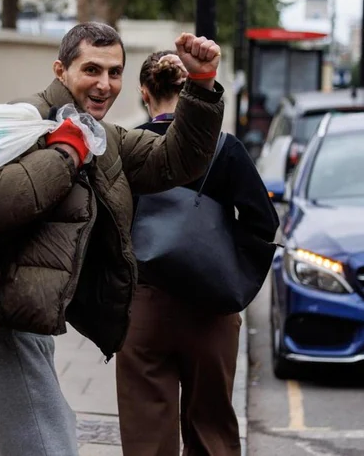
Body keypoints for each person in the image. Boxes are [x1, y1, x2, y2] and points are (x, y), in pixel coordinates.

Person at [0, 23, 226, 456]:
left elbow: (176, 160)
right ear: (61, 70)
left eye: (115, 73)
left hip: (26, 329)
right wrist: (66, 154)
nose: (104, 84)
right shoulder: (24, 120)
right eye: (91, 69)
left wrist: (202, 86)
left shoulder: (104, 138)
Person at [116, 50, 280, 456]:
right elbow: (264, 221)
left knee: (146, 430)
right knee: (211, 426)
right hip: (212, 304)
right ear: (190, 89)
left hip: (144, 303)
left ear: (143, 92)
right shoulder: (226, 148)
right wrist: (231, 269)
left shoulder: (127, 147)